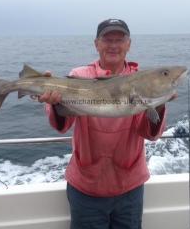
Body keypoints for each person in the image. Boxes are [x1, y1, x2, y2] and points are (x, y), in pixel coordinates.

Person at [38, 19, 171, 229]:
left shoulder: (141, 81)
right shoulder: (78, 76)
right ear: (96, 44)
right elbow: (62, 125)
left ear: (129, 44)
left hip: (130, 187)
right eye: (107, 39)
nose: (113, 45)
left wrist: (160, 105)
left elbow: (150, 134)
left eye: (120, 39)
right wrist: (55, 104)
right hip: (86, 188)